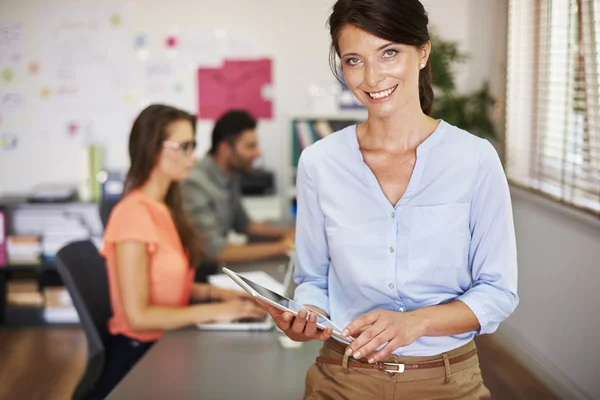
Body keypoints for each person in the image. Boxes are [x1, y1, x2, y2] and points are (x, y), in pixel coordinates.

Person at [257, 0, 518, 399]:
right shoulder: (320, 163)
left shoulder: (474, 159)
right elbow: (313, 279)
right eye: (354, 60)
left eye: (389, 52)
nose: (372, 76)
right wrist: (310, 314)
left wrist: (416, 323)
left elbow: (498, 293)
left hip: (447, 381)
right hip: (341, 379)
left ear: (423, 52)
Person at [94, 104, 266, 399]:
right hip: (139, 359)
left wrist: (217, 295)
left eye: (193, 146)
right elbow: (137, 317)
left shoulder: (165, 208)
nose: (194, 157)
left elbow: (168, 285)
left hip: (169, 341)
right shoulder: (132, 214)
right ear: (153, 149)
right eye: (184, 147)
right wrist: (218, 311)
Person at [181, 110, 294, 268]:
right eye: (250, 146)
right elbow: (216, 251)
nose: (257, 153)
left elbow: (244, 224)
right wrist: (283, 247)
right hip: (200, 273)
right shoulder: (194, 184)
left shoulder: (231, 175)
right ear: (225, 149)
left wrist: (288, 233)